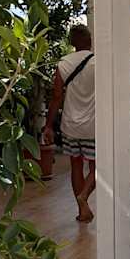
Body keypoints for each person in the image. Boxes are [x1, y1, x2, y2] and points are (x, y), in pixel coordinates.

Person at [44, 23, 96, 222]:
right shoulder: (98, 62)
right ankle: (84, 196)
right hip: (93, 125)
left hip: (70, 125)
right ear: (89, 40)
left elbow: (57, 97)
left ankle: (82, 209)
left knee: (76, 164)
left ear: (72, 42)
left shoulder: (63, 64)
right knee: (98, 166)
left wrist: (49, 125)